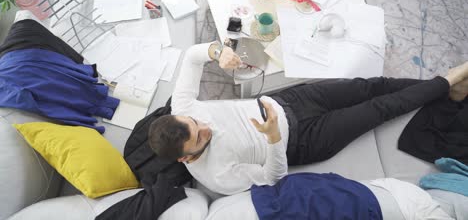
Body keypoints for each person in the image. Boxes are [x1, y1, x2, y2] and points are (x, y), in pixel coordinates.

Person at [148, 40, 468, 195]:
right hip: (304, 141)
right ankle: (450, 83)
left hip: (289, 99)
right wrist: (273, 137)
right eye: (200, 137)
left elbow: (191, 57)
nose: (206, 127)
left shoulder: (183, 107)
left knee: (369, 86)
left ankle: (446, 89)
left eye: (196, 123)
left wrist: (219, 53)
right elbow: (273, 176)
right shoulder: (217, 176)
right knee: (380, 109)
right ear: (186, 160)